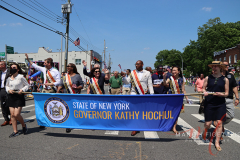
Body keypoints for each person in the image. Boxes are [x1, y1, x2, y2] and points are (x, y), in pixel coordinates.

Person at [201, 61, 229, 151]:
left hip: (220, 104)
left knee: (219, 123)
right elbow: (203, 88)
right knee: (208, 124)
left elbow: (227, 93)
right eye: (213, 66)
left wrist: (221, 94)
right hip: (209, 103)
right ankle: (204, 131)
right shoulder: (208, 78)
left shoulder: (225, 79)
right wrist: (204, 92)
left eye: (216, 66)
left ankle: (216, 142)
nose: (214, 68)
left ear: (220, 68)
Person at [122, 60, 154, 136]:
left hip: (143, 93)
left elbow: (150, 84)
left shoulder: (147, 73)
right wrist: (123, 77)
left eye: (138, 64)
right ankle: (135, 127)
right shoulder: (132, 73)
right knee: (134, 110)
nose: (136, 65)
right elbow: (127, 82)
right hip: (134, 93)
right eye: (135, 64)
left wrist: (152, 95)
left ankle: (142, 125)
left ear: (142, 65)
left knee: (142, 111)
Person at [57, 63, 84, 133]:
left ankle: (77, 122)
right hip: (66, 96)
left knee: (74, 110)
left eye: (68, 66)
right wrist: (57, 92)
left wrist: (77, 87)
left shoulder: (77, 76)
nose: (67, 67)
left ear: (72, 68)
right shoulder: (65, 76)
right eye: (67, 66)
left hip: (75, 95)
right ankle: (68, 125)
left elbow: (82, 85)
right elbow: (60, 85)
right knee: (67, 110)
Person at [215, 61, 239, 140]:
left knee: (231, 115)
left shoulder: (230, 76)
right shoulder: (216, 75)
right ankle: (219, 130)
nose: (228, 67)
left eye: (228, 65)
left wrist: (237, 97)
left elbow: (234, 87)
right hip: (218, 98)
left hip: (228, 98)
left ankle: (220, 124)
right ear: (221, 66)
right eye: (226, 65)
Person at [163, 66, 190, 134]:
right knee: (170, 112)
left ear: (178, 71)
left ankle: (174, 127)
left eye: (175, 70)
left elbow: (183, 90)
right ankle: (168, 125)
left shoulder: (182, 79)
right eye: (172, 70)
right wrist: (164, 78)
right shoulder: (170, 78)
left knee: (176, 113)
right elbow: (165, 84)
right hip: (171, 98)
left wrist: (187, 98)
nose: (173, 71)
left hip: (178, 98)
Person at [6, 63, 29, 137]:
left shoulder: (21, 77)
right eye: (11, 67)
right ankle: (15, 131)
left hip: (19, 96)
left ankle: (23, 125)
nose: (12, 68)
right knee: (12, 115)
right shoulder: (9, 78)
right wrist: (8, 90)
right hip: (11, 96)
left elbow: (27, 85)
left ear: (18, 69)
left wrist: (22, 89)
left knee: (16, 114)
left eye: (14, 67)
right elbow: (6, 86)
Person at [0, 61, 11, 126]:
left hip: (8, 90)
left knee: (9, 104)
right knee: (2, 105)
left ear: (3, 65)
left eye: (0, 65)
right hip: (1, 90)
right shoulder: (0, 72)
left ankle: (11, 119)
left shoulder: (9, 72)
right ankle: (6, 119)